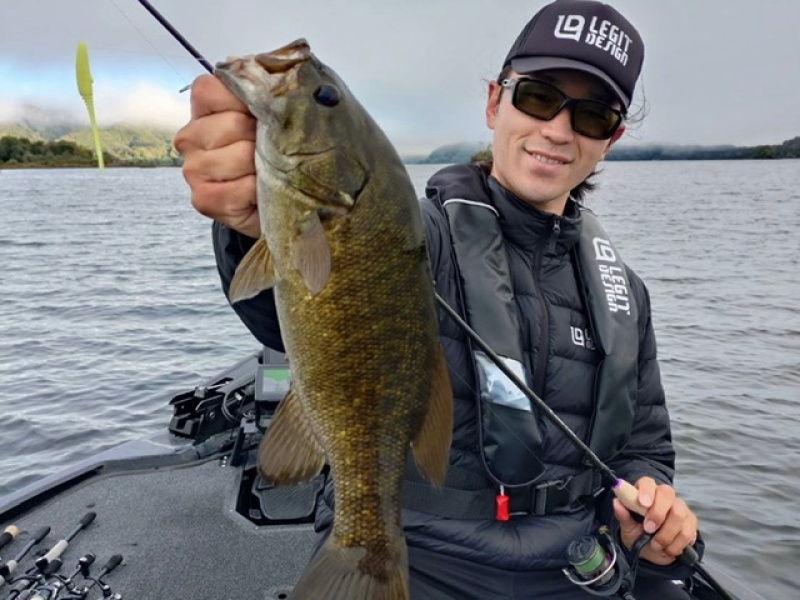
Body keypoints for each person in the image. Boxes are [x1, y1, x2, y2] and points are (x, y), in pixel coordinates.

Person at [174, 1, 703, 597]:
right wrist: (251, 223)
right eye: (537, 97)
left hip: (571, 566)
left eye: (592, 115)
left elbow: (645, 445)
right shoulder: (412, 234)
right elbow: (295, 309)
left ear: (611, 140)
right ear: (494, 102)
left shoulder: (625, 292)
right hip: (420, 546)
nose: (558, 130)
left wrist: (651, 502)